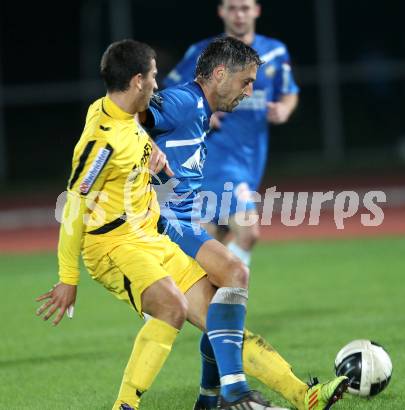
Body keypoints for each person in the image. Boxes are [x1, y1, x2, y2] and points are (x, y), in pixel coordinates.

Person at [35, 39, 293, 410]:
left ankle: (261, 396)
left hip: (147, 233)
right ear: (139, 81)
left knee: (218, 308)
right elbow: (74, 204)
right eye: (154, 76)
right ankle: (135, 403)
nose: (159, 84)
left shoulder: (117, 117)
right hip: (114, 242)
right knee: (174, 306)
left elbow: (133, 126)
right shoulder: (103, 140)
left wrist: (152, 155)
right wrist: (67, 278)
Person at [144, 37, 348, 410]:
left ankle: (213, 399)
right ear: (220, 74)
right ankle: (263, 395)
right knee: (231, 287)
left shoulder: (201, 111)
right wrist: (143, 142)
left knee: (222, 312)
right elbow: (125, 111)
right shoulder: (183, 101)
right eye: (246, 82)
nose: (251, 90)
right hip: (156, 230)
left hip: (178, 224)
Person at [163, 0, 299, 267]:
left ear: (257, 11)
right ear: (221, 11)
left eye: (245, 8)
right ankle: (230, 294)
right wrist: (201, 110)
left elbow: (289, 91)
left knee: (214, 239)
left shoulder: (274, 52)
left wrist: (284, 109)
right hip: (216, 157)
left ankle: (195, 301)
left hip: (251, 159)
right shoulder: (203, 53)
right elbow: (169, 93)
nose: (239, 14)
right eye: (232, 8)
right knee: (248, 232)